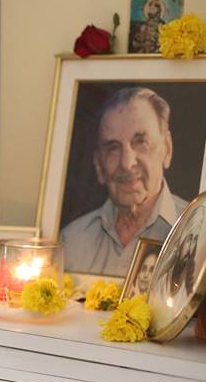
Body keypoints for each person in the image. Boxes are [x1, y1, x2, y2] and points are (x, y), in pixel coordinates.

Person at [60, 87, 189, 277]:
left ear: (167, 149)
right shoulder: (70, 242)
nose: (127, 164)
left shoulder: (195, 235)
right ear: (99, 165)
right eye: (113, 148)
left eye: (140, 142)